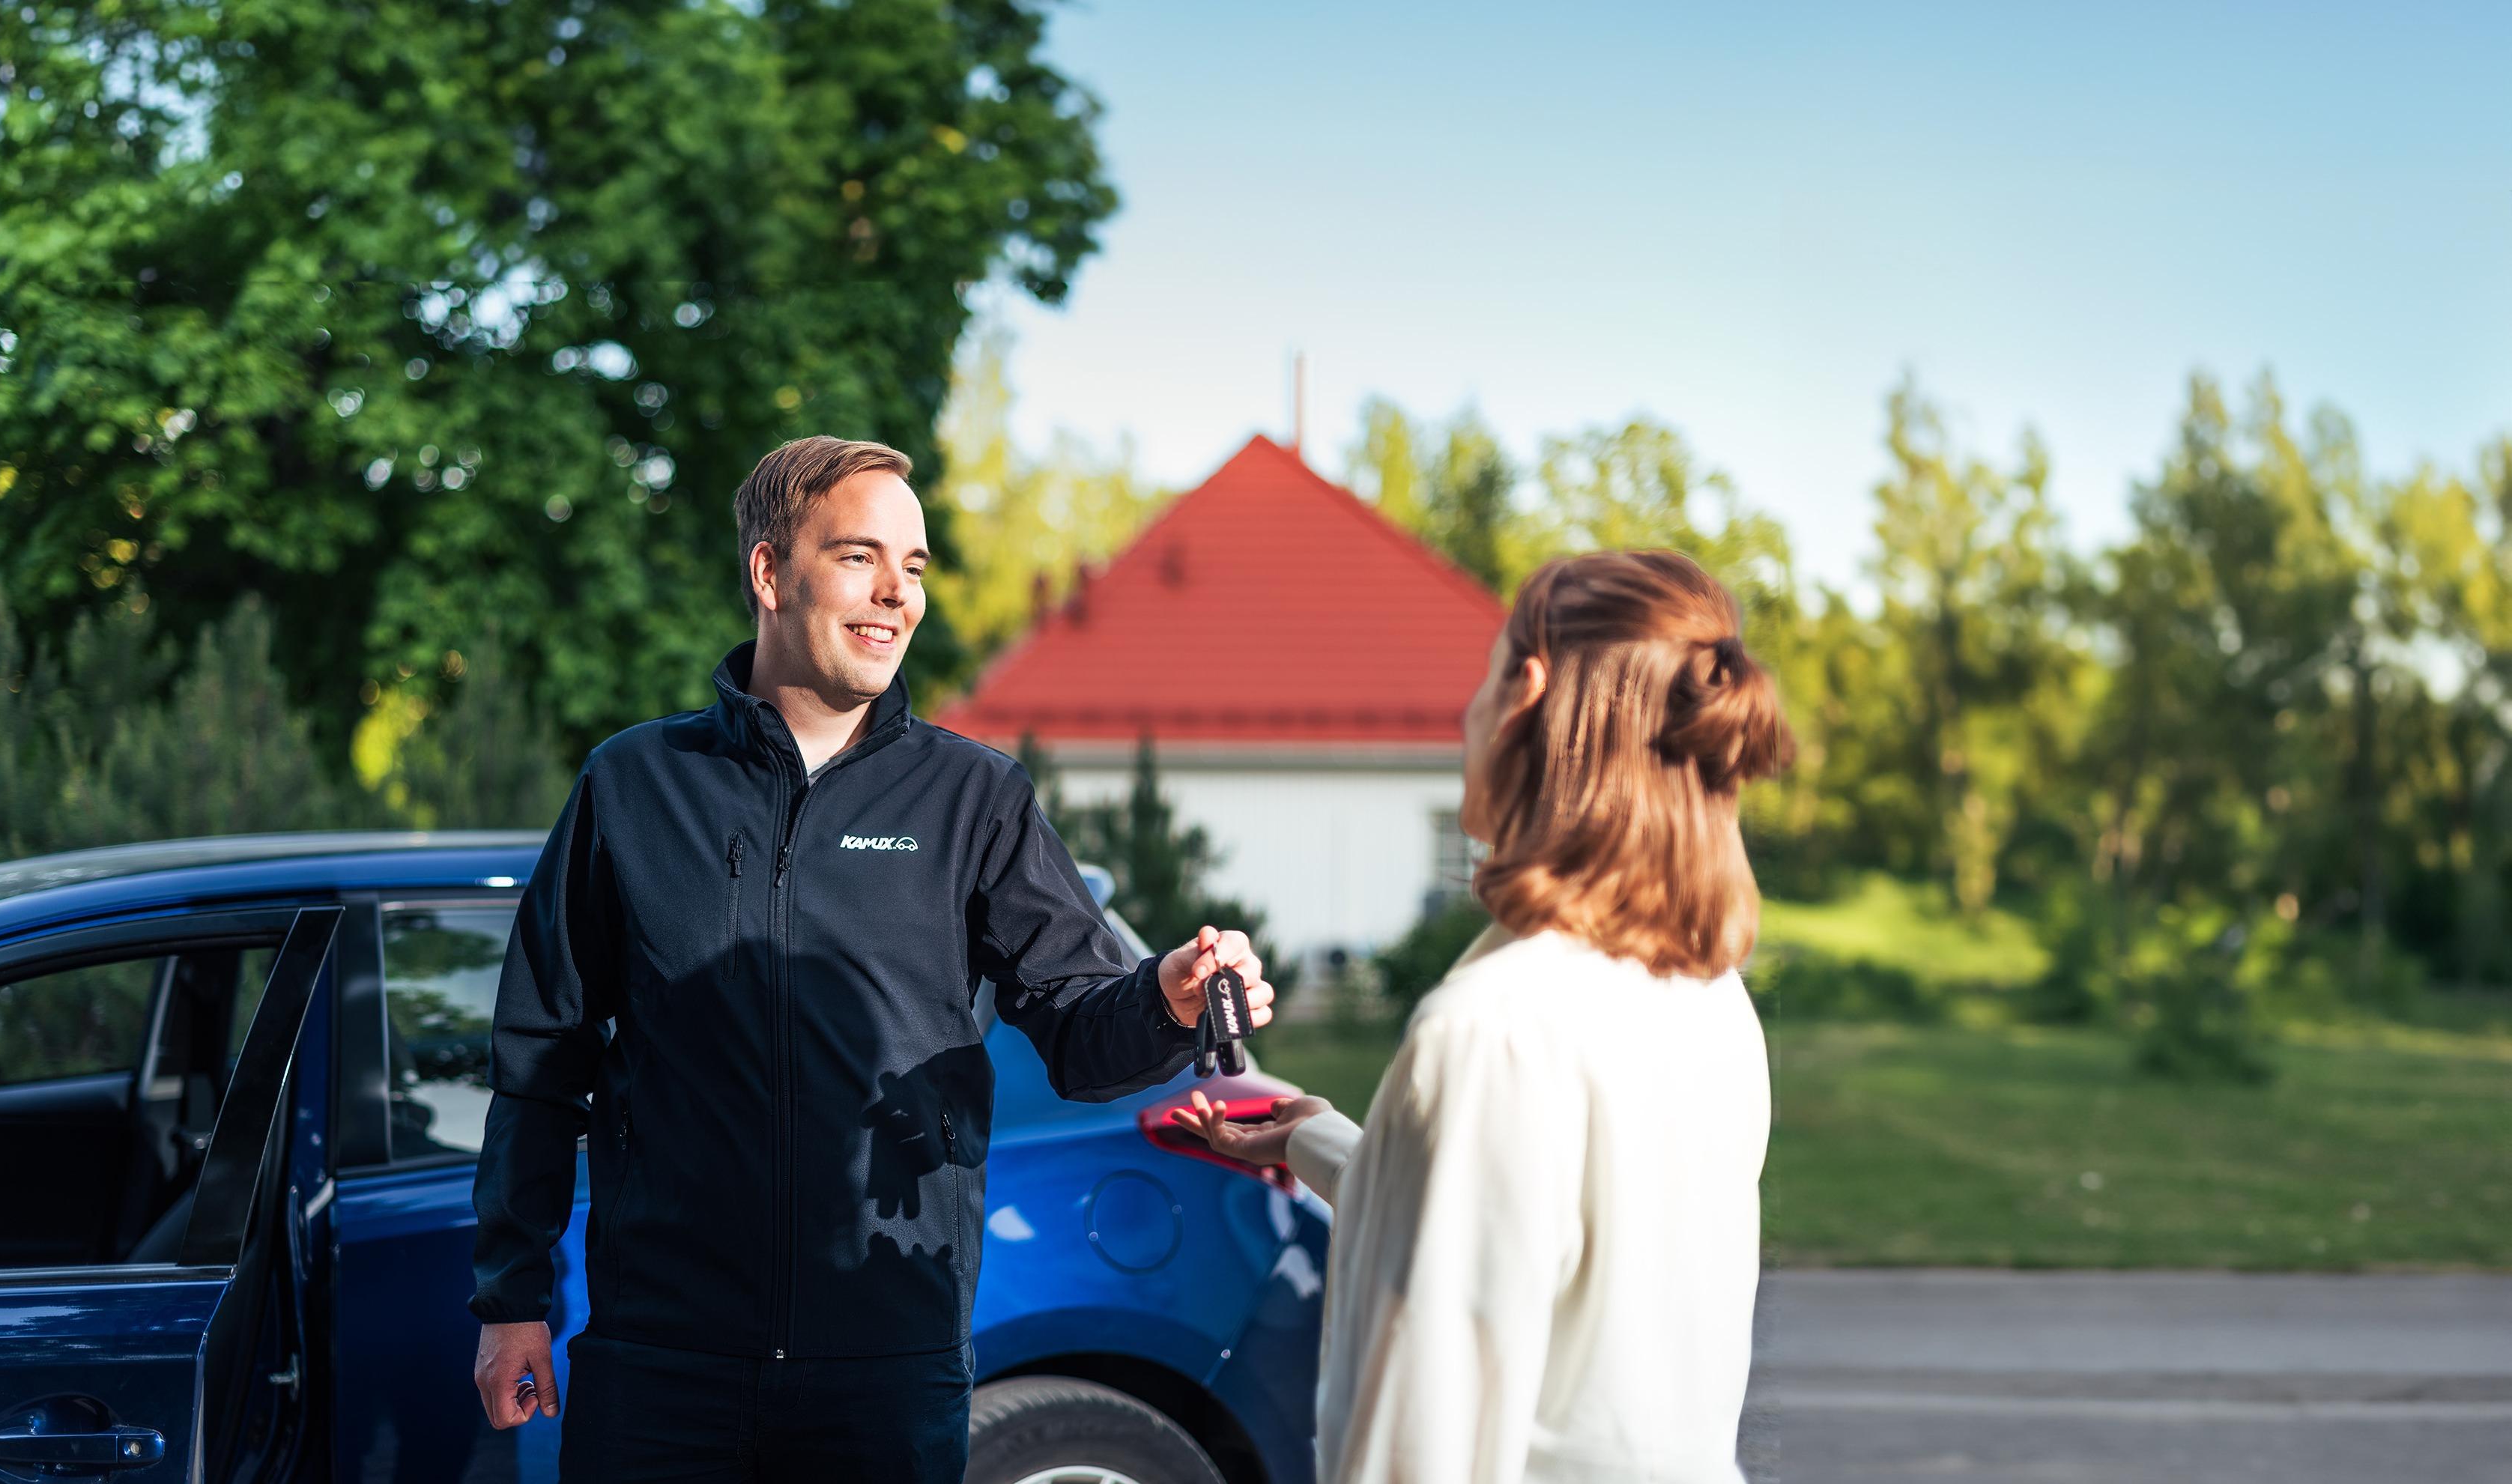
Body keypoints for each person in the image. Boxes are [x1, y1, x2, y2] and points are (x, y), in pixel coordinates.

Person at [468, 436, 1276, 1482]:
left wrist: (1164, 1001)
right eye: (860, 557)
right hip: (663, 1363)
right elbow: (541, 1057)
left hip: (887, 1370)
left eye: (917, 565)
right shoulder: (632, 785)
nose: (898, 593)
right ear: (769, 572)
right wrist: (510, 1300)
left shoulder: (973, 800)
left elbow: (1081, 1036)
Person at [1177, 549, 1792, 1484]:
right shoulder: (1709, 998)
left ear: (1523, 694)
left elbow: (1414, 1456)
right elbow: (1516, 1235)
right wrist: (1317, 1140)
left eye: (1484, 671)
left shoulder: (1493, 1027)